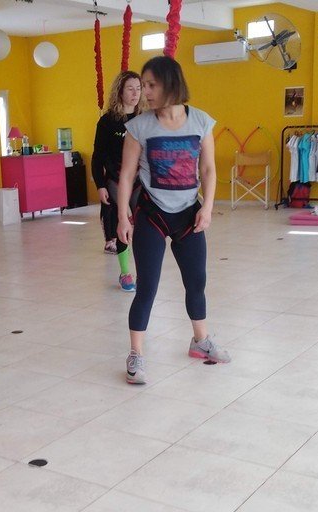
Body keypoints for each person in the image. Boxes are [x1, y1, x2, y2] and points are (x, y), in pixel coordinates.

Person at [116, 56, 231, 385]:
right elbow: (126, 175)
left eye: (151, 85)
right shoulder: (139, 127)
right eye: (143, 85)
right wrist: (123, 215)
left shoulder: (201, 121)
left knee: (197, 281)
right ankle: (136, 354)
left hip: (188, 214)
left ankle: (200, 341)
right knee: (147, 287)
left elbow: (208, 170)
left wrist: (207, 208)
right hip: (152, 214)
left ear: (170, 84)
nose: (145, 92)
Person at [92, 71, 143, 291]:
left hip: (140, 180)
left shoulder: (145, 119)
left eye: (138, 89)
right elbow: (97, 156)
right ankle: (125, 273)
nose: (135, 93)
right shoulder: (107, 121)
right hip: (115, 180)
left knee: (142, 226)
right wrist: (100, 185)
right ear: (120, 91)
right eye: (130, 88)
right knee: (123, 222)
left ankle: (143, 271)